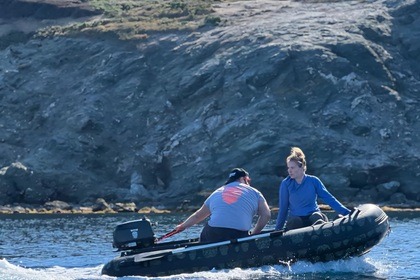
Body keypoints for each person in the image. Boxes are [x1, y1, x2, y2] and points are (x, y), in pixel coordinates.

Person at [174, 168, 271, 243]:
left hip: (214, 233)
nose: (249, 183)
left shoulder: (217, 192)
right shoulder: (255, 192)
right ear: (243, 179)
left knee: (208, 230)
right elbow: (266, 215)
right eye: (248, 180)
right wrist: (254, 234)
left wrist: (182, 226)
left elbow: (198, 216)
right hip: (239, 234)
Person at [275, 147, 351, 231]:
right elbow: (283, 209)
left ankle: (321, 229)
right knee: (296, 221)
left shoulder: (314, 181)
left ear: (301, 166)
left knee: (316, 216)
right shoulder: (286, 184)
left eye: (292, 168)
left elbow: (329, 199)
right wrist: (277, 230)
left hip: (314, 218)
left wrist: (348, 213)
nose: (289, 171)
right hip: (297, 221)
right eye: (288, 168)